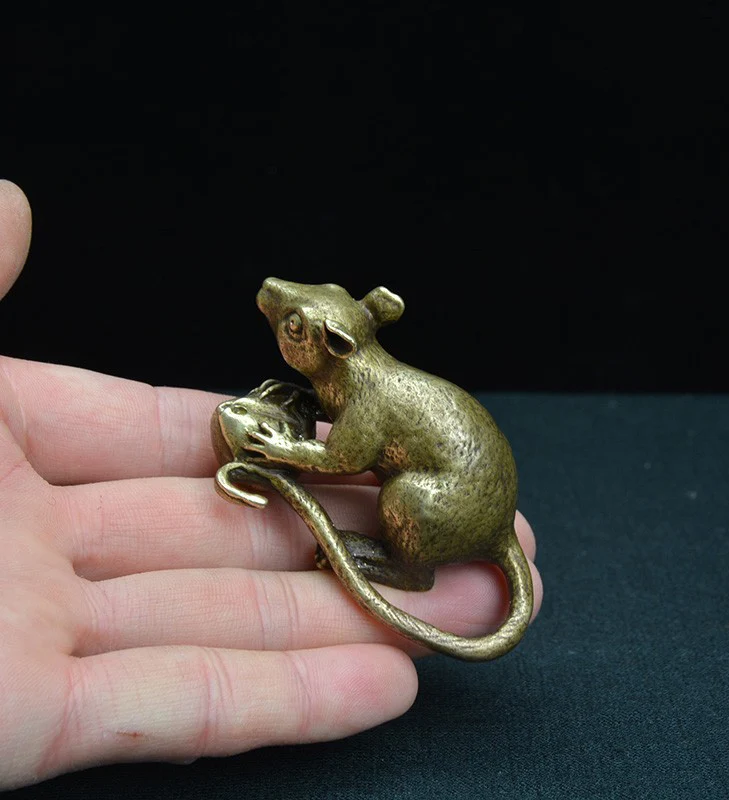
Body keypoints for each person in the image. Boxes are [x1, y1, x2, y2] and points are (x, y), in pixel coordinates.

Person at [0, 179, 542, 789]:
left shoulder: (366, 398)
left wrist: (285, 449)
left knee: (406, 501)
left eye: (294, 326)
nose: (275, 302)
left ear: (335, 346)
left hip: (457, 502)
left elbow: (344, 459)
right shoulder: (354, 378)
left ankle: (409, 569)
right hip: (465, 486)